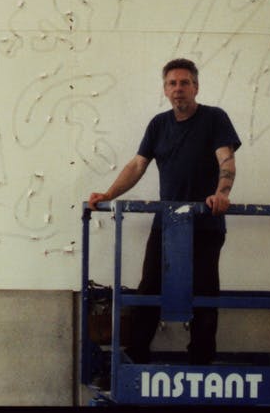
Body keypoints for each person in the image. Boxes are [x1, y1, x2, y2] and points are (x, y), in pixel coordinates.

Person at [88, 58, 240, 365]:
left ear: (196, 87)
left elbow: (227, 161)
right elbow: (137, 165)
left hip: (206, 223)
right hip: (167, 224)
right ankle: (137, 356)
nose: (179, 89)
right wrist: (108, 194)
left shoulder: (214, 118)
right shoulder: (159, 124)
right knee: (149, 290)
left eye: (185, 83)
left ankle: (201, 362)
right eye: (172, 83)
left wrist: (221, 194)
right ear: (165, 89)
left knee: (205, 294)